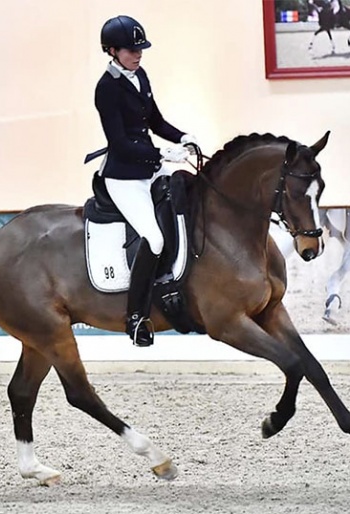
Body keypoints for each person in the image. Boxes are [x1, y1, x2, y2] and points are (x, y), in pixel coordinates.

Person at [93, 14, 197, 347]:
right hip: (124, 176)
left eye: (140, 49)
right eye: (130, 50)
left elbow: (155, 121)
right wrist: (164, 155)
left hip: (148, 167)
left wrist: (183, 137)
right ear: (112, 51)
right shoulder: (106, 88)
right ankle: (136, 317)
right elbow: (121, 142)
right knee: (153, 239)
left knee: (190, 196)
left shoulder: (141, 76)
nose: (137, 55)